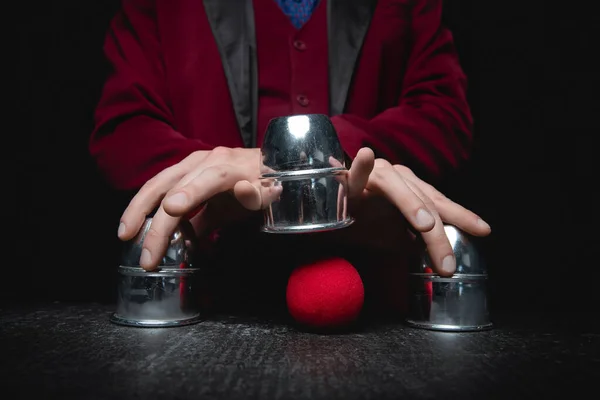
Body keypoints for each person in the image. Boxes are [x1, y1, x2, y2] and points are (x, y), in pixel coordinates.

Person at [89, 0, 491, 314]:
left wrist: (312, 158)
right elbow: (124, 128)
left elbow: (444, 114)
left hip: (378, 303)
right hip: (201, 298)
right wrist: (220, 171)